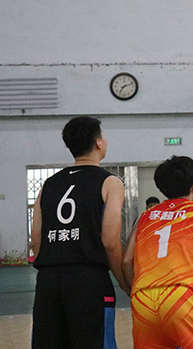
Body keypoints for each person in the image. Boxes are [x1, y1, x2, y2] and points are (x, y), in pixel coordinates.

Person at [30, 116, 130, 349]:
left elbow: (36, 240)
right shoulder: (110, 182)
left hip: (48, 281)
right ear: (98, 143)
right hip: (88, 280)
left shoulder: (49, 184)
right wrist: (124, 282)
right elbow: (110, 241)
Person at [122, 156, 193, 349]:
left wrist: (136, 292)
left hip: (142, 298)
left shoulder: (144, 217)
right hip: (180, 295)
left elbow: (127, 261)